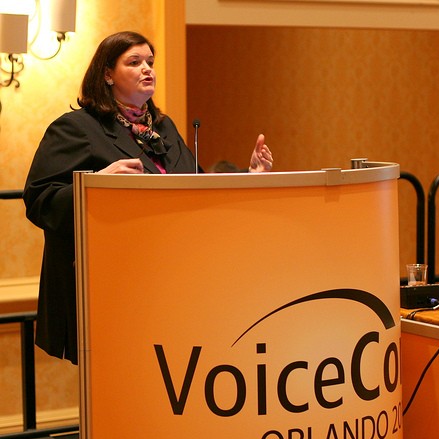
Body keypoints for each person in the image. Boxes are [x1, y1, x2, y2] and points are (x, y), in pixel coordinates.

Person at [23, 31, 273, 365]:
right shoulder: (77, 128)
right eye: (134, 62)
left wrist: (250, 174)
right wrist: (95, 184)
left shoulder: (163, 129)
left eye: (150, 62)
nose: (147, 69)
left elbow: (198, 188)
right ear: (107, 74)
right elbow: (39, 199)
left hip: (171, 283)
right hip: (110, 288)